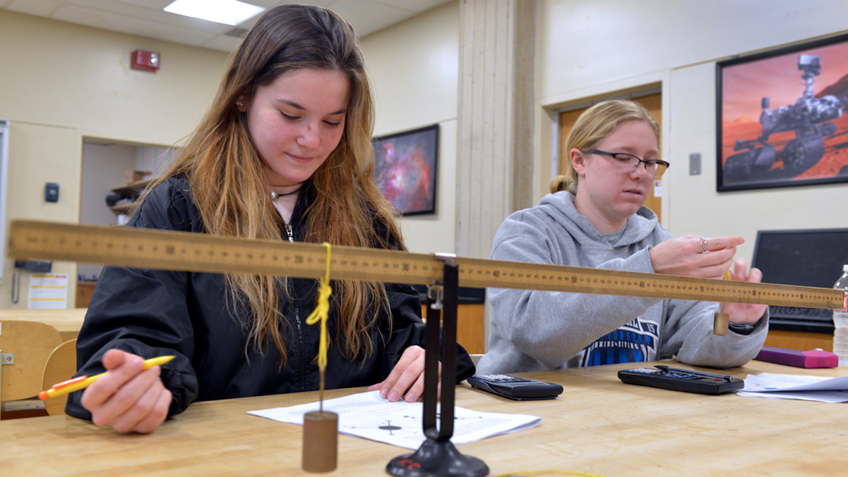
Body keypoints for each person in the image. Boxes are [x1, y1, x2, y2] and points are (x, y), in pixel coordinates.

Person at [67, 4, 474, 434]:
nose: (312, 140)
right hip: (223, 451)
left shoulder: (363, 217)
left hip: (354, 448)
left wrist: (431, 355)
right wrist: (140, 382)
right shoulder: (178, 208)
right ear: (243, 96)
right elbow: (134, 337)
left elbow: (401, 329)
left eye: (333, 121)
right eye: (291, 115)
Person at [476, 99, 768, 375]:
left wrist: (736, 327)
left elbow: (699, 344)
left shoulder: (658, 242)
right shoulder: (526, 232)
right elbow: (536, 333)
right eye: (624, 157)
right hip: (530, 415)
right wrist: (646, 271)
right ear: (579, 161)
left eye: (651, 162)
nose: (641, 173)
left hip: (625, 420)